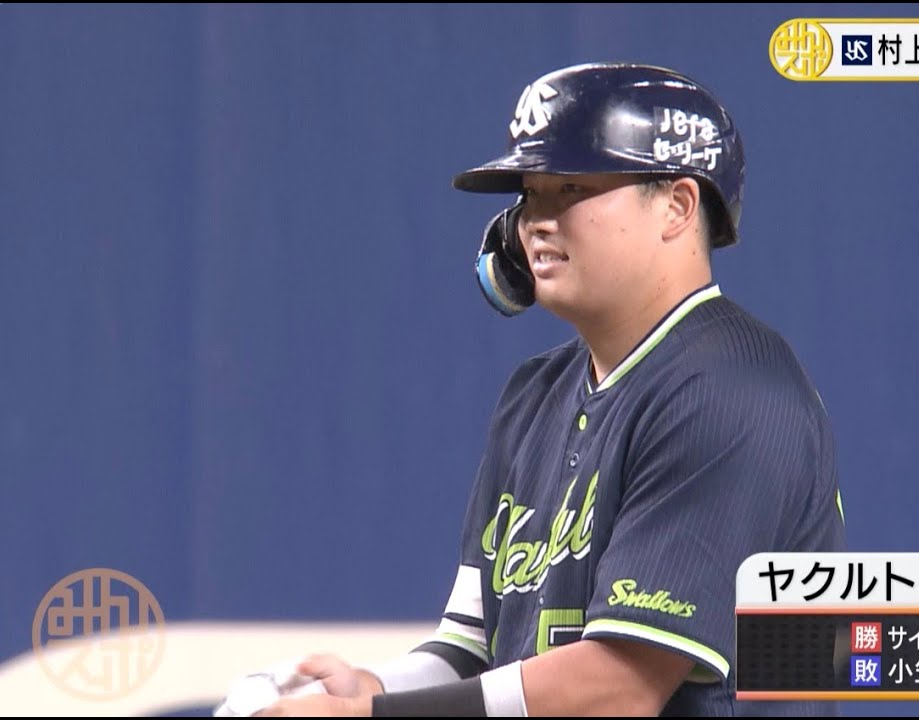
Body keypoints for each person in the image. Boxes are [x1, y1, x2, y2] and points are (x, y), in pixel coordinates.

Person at [242, 62, 846, 716]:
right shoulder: (534, 394)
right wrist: (378, 688)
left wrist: (373, 717)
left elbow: (621, 687)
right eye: (531, 194)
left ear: (677, 207)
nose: (536, 222)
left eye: (572, 188)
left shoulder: (729, 387)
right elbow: (472, 645)